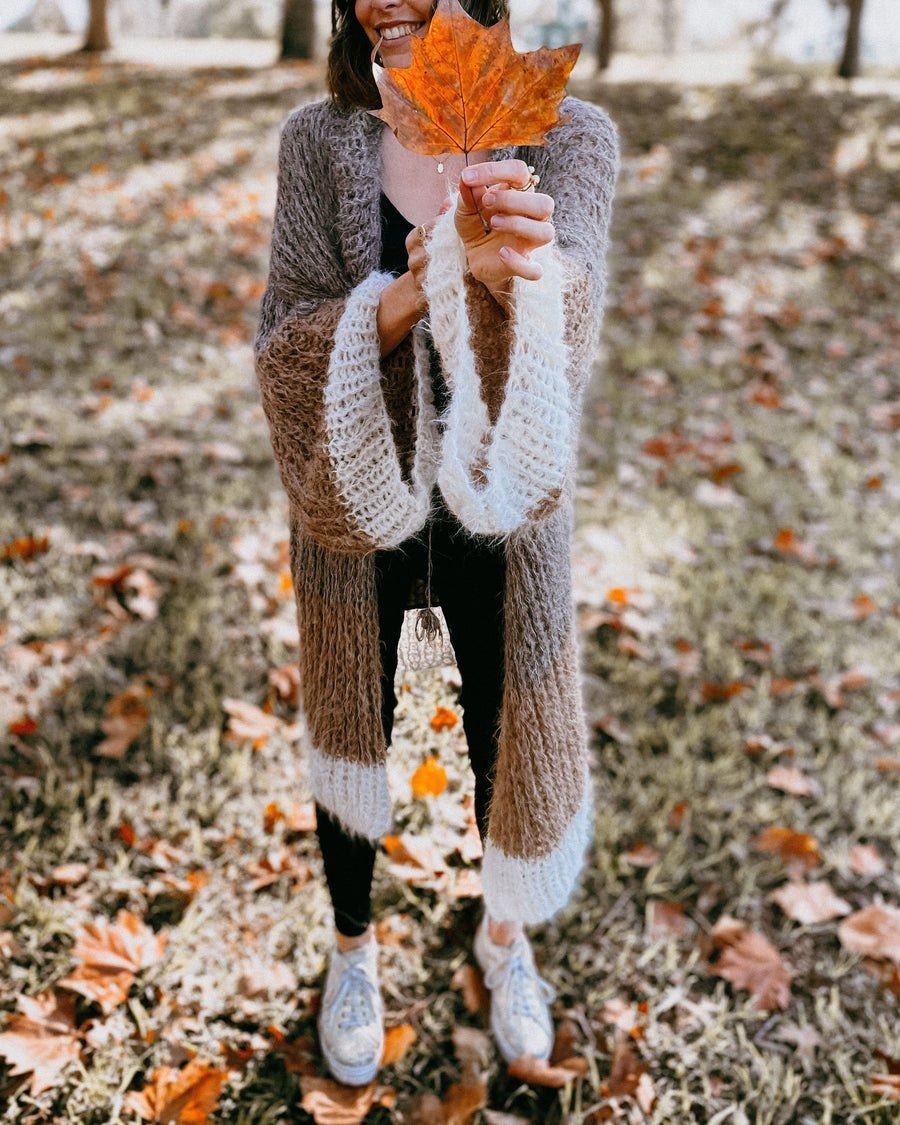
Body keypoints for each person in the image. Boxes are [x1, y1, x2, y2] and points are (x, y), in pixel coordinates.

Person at [254, 0, 618, 1086]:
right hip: (351, 500)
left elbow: (580, 305)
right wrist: (412, 290)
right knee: (348, 717)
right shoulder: (319, 141)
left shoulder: (563, 133)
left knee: (512, 731)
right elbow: (283, 337)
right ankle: (351, 949)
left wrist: (526, 272)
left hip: (502, 501)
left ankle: (505, 943)